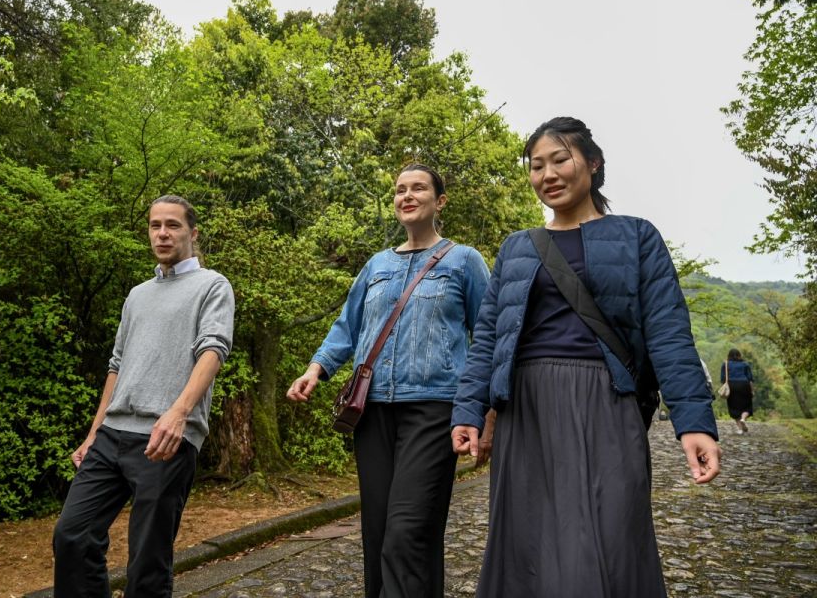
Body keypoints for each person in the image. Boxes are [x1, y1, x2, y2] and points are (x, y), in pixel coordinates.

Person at [451, 117, 721, 598]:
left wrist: (694, 421)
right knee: (529, 544)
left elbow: (668, 332)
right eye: (537, 166)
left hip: (606, 402)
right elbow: (490, 336)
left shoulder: (637, 236)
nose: (547, 174)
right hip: (527, 409)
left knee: (610, 535)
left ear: (593, 164)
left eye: (560, 159)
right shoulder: (516, 247)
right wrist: (469, 409)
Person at [287, 163, 491, 598]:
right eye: (400, 189)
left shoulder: (464, 260)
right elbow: (348, 328)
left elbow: (488, 337)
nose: (407, 195)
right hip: (372, 411)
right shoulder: (376, 266)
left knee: (408, 530)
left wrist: (484, 408)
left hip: (436, 410)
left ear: (440, 201)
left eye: (419, 188)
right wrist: (315, 370)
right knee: (379, 533)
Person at [52, 195, 235, 598]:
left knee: (147, 562)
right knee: (72, 536)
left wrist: (178, 415)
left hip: (165, 438)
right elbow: (117, 366)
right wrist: (93, 433)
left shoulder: (212, 285)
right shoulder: (137, 294)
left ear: (193, 232)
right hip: (111, 435)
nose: (163, 234)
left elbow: (214, 350)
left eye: (173, 225)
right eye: (155, 225)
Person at [722, 348, 754, 434]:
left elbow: (723, 378)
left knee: (734, 407)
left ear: (729, 355)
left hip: (732, 386)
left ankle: (740, 429)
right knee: (747, 406)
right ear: (740, 355)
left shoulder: (726, 364)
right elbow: (750, 379)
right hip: (744, 385)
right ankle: (743, 419)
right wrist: (752, 390)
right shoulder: (745, 364)